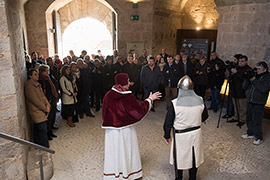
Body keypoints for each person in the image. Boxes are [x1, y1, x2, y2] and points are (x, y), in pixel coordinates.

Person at [102, 73, 161, 180]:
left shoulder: (108, 95)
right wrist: (150, 99)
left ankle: (114, 173)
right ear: (124, 82)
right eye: (128, 81)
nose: (129, 83)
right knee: (127, 149)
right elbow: (138, 111)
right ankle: (129, 173)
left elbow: (104, 112)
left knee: (115, 150)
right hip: (125, 129)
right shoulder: (127, 96)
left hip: (111, 131)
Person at [163, 75, 208, 180]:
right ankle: (192, 177)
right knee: (194, 156)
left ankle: (179, 178)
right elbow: (205, 116)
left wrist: (166, 135)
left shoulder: (175, 104)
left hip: (181, 135)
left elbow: (168, 122)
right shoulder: (200, 100)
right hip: (196, 133)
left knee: (180, 158)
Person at [242, 61, 270, 145]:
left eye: (259, 69)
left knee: (257, 120)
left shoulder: (267, 78)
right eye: (256, 68)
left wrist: (254, 80)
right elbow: (244, 87)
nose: (257, 70)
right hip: (250, 100)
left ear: (265, 69)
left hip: (259, 102)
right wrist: (248, 78)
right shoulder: (255, 76)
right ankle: (250, 133)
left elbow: (263, 89)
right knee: (249, 118)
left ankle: (259, 137)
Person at [25, 69, 51, 148]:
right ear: (30, 76)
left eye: (37, 74)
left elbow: (42, 96)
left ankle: (37, 144)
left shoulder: (37, 84)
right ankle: (45, 147)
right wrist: (44, 108)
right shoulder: (29, 86)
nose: (37, 76)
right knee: (42, 129)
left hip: (41, 109)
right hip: (36, 110)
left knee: (38, 128)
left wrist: (48, 104)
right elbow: (35, 100)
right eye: (35, 74)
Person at [228, 55, 251, 127]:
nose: (240, 63)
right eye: (239, 61)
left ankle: (242, 119)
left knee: (242, 107)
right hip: (234, 90)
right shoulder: (237, 67)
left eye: (242, 61)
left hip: (242, 92)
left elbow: (244, 78)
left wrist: (236, 72)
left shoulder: (248, 69)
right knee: (236, 105)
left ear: (246, 61)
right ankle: (236, 117)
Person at [38, 65, 59, 140]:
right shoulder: (41, 80)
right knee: (48, 117)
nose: (48, 72)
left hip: (52, 98)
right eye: (46, 71)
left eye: (48, 70)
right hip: (47, 100)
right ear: (42, 72)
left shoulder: (49, 77)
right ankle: (48, 132)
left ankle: (51, 129)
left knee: (53, 115)